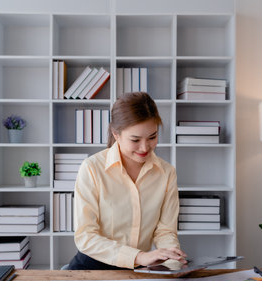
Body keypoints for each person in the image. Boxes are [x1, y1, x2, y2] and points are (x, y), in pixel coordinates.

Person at [67, 92, 187, 270]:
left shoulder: (166, 173)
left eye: (152, 137)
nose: (145, 147)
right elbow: (86, 236)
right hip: (91, 267)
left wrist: (172, 261)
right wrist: (139, 256)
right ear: (116, 134)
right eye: (135, 140)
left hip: (139, 270)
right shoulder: (92, 168)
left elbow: (165, 231)